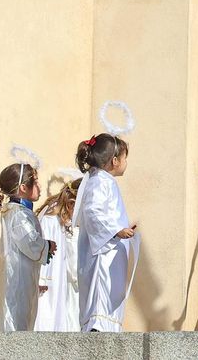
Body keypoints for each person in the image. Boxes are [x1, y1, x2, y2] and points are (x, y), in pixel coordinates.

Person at [75, 133, 136, 332]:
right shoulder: (100, 181)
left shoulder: (103, 180)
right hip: (103, 255)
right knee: (101, 300)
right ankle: (98, 329)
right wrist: (116, 230)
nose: (126, 163)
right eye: (125, 158)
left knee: (110, 297)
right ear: (115, 160)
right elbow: (92, 210)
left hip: (110, 251)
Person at [0, 162, 50, 331]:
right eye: (35, 182)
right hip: (16, 277)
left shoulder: (18, 211)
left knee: (22, 318)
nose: (39, 186)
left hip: (23, 275)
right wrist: (46, 246)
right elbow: (29, 242)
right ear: (24, 187)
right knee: (15, 320)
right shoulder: (18, 213)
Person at [35, 177, 80, 332]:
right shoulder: (52, 220)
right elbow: (73, 267)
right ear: (72, 203)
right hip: (48, 285)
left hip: (58, 284)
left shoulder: (57, 218)